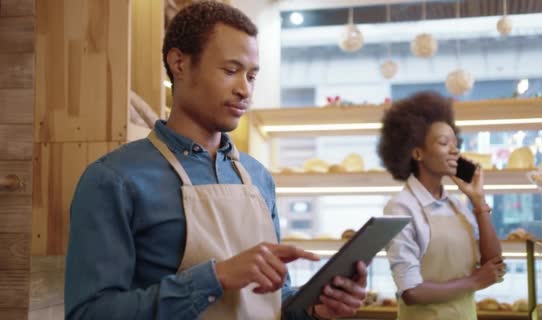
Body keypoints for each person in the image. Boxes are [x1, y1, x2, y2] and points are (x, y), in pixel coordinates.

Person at [64, 2, 367, 319]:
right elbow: (89, 313)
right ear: (179, 63)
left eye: (251, 76)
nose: (244, 89)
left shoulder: (258, 177)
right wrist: (216, 278)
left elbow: (269, 303)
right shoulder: (114, 180)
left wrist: (316, 309)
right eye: (231, 70)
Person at [377, 91, 505, 320]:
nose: (455, 150)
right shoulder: (401, 207)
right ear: (417, 153)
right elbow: (411, 291)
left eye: (455, 144)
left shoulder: (457, 205)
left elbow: (493, 265)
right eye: (444, 143)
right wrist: (474, 281)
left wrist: (478, 201)